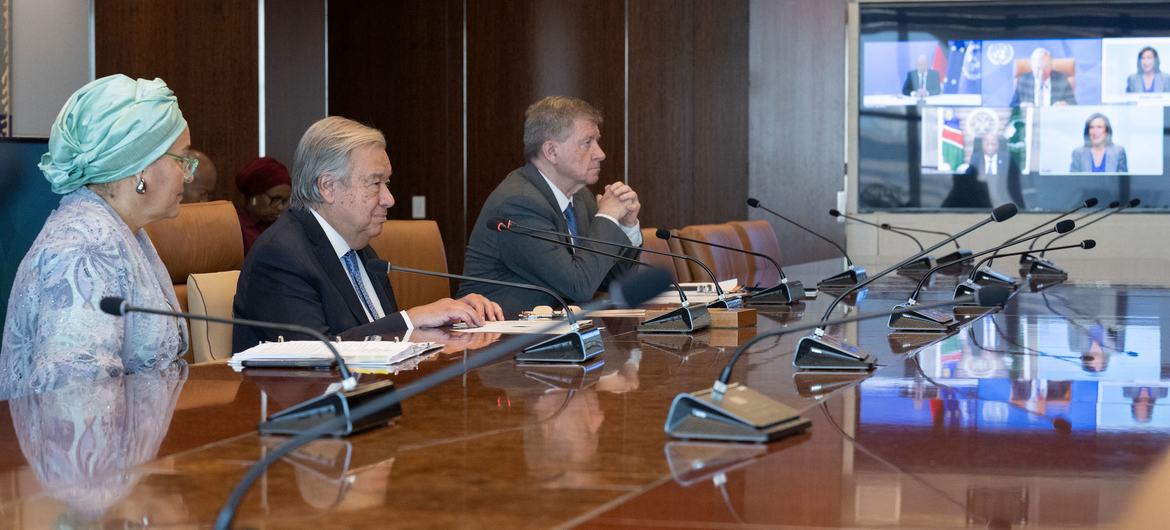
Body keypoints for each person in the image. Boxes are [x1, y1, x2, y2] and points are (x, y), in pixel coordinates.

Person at [232, 116, 504, 351]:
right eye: (375, 183)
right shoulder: (282, 255)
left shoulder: (358, 249)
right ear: (328, 187)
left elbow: (378, 336)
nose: (389, 198)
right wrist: (412, 318)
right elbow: (314, 354)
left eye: (386, 182)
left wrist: (450, 317)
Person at [0, 74, 191, 399]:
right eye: (182, 159)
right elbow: (76, 399)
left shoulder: (124, 232)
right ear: (140, 165)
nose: (188, 172)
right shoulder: (83, 249)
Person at [459, 96, 642, 317]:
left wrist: (625, 226)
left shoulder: (580, 198)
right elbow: (578, 286)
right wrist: (607, 218)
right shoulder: (519, 203)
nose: (600, 154)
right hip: (497, 336)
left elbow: (613, 283)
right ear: (551, 151)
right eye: (587, 143)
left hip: (553, 332)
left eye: (597, 141)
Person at [235, 156, 292, 254]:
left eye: (285, 200)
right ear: (254, 195)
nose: (280, 207)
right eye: (275, 199)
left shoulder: (284, 227)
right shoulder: (236, 229)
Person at [968, 133, 1025, 208]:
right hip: (981, 203)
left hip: (1003, 203)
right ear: (982, 144)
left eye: (993, 141)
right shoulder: (975, 158)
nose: (990, 143)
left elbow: (1016, 183)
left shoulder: (1007, 159)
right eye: (986, 141)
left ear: (998, 144)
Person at [1011, 47, 1076, 107]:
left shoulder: (1062, 79)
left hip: (1055, 118)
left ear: (1051, 66)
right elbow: (1012, 106)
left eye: (1046, 68)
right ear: (1032, 66)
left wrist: (1066, 104)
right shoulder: (1023, 80)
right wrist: (1021, 105)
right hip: (1031, 118)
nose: (1042, 73)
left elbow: (1074, 104)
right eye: (1038, 68)